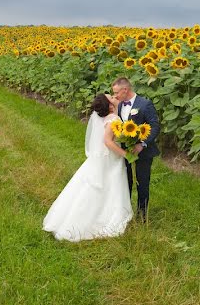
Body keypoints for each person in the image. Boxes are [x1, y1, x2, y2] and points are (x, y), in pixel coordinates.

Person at [42, 94, 133, 241]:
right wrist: (126, 154)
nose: (114, 97)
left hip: (99, 158)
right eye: (111, 97)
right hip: (109, 159)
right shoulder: (113, 119)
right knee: (109, 185)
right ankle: (103, 217)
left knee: (88, 185)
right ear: (110, 106)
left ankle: (67, 218)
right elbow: (108, 142)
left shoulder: (103, 117)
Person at [111, 77, 160, 223]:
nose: (115, 96)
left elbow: (155, 126)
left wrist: (142, 144)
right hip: (125, 151)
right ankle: (125, 212)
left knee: (142, 181)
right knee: (125, 180)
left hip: (143, 151)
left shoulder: (145, 104)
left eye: (116, 93)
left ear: (125, 90)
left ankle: (142, 215)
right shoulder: (120, 105)